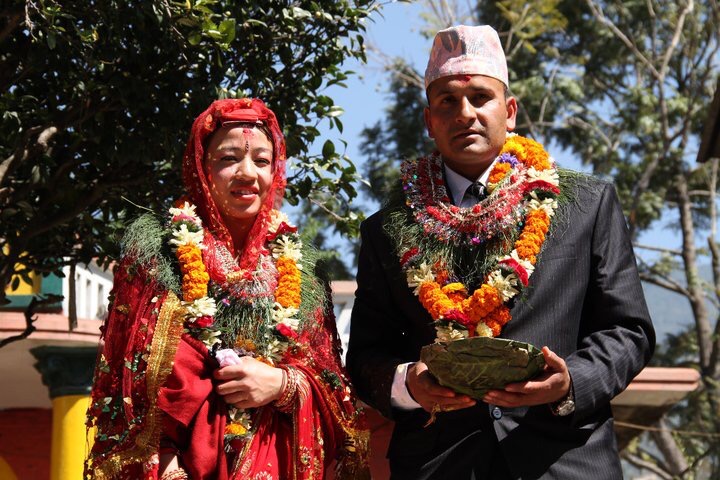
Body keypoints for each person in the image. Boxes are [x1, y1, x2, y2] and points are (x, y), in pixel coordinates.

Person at [347, 25, 655, 479]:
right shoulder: (387, 230)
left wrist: (569, 382)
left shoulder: (587, 204)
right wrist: (409, 384)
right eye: (448, 101)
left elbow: (628, 330)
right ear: (429, 120)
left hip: (563, 460)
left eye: (480, 98)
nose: (465, 113)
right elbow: (366, 356)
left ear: (509, 112)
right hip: (439, 465)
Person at [85, 98, 369, 480]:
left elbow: (336, 391)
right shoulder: (159, 257)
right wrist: (167, 468)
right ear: (201, 167)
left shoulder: (301, 271)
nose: (247, 173)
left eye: (263, 161)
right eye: (228, 158)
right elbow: (131, 385)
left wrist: (283, 385)